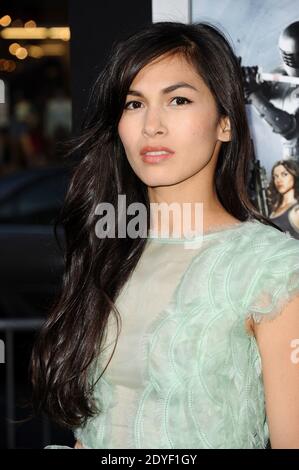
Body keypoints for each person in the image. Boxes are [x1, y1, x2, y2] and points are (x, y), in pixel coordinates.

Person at [29, 21, 299, 449]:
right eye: (134, 104)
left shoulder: (274, 270)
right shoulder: (109, 248)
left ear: (225, 123)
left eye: (178, 99)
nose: (151, 125)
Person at [241, 21, 299, 161]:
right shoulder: (279, 75)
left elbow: (288, 128)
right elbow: (253, 96)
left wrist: (253, 94)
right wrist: (244, 82)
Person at [268, 159, 299, 240]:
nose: (278, 180)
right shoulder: (275, 207)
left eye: (284, 174)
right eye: (275, 176)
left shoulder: (297, 210)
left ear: (294, 175)